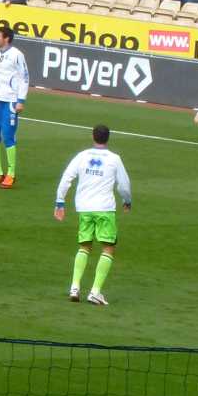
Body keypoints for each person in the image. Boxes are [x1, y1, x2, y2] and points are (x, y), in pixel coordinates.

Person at [54, 124, 132, 307]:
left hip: (84, 208)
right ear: (108, 138)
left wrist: (60, 201)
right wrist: (126, 200)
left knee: (84, 247)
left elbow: (67, 177)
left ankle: (74, 287)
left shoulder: (82, 156)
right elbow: (124, 184)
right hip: (105, 209)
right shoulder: (114, 159)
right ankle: (95, 292)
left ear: (93, 136)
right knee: (108, 249)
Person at [0, 23, 28, 189]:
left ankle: (11, 173)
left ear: (6, 38)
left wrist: (21, 100)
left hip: (10, 101)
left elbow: (24, 77)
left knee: (8, 136)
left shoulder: (17, 55)